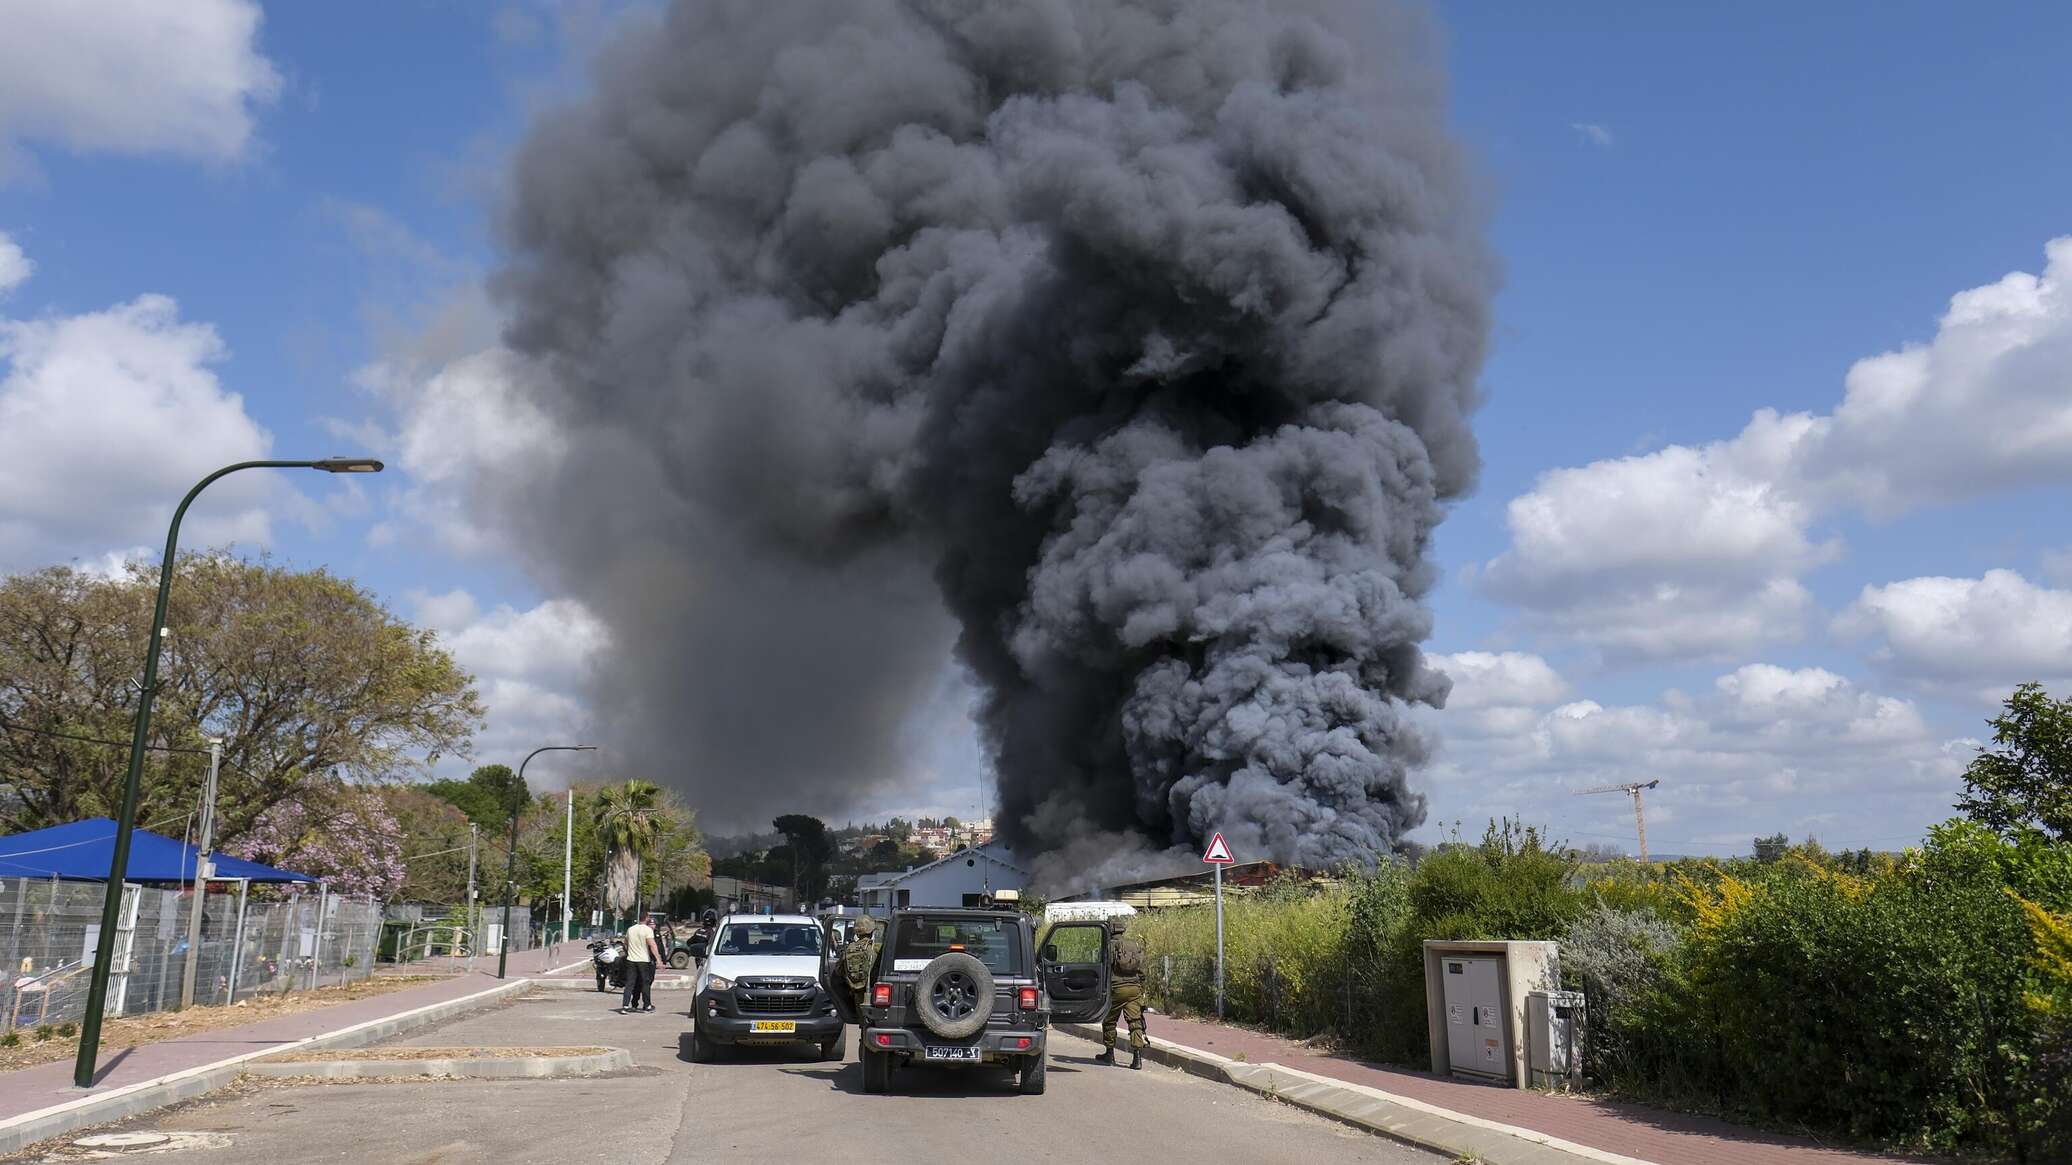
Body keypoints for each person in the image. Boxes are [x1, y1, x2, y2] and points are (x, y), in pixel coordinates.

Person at [1096, 915, 1147, 1069]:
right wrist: (1141, 987)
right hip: (1134, 988)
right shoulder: (1134, 944)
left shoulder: (1108, 946)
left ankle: (1109, 1054)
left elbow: (1103, 969)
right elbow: (1142, 970)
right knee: (1135, 1021)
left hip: (1116, 989)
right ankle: (1137, 1058)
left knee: (1109, 1021)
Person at [839, 914, 880, 1017]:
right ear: (871, 931)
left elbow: (839, 971)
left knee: (863, 1024)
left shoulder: (849, 948)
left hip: (857, 993)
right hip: (876, 992)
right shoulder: (876, 948)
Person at [620, 915, 663, 1013]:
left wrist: (629, 952)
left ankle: (625, 1006)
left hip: (631, 960)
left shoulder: (630, 929)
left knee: (630, 983)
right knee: (645, 983)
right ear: (647, 918)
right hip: (643, 960)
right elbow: (652, 945)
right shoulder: (647, 930)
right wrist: (659, 960)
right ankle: (647, 1005)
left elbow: (625, 943)